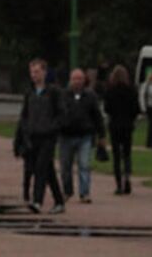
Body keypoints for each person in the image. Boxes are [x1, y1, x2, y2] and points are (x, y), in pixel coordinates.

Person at [13, 58, 65, 214]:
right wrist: (23, 134)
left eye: (37, 71)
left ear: (44, 72)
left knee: (41, 167)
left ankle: (37, 201)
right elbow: (25, 115)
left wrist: (52, 127)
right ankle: (59, 201)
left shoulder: (53, 92)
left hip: (48, 136)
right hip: (33, 136)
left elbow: (61, 114)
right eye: (32, 72)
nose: (34, 75)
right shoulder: (29, 93)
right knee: (47, 170)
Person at [58, 68, 106, 204]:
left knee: (84, 165)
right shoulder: (63, 95)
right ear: (70, 80)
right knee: (65, 166)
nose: (77, 81)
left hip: (84, 136)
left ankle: (84, 193)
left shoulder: (90, 96)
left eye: (79, 79)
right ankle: (67, 191)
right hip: (66, 136)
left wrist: (101, 134)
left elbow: (97, 116)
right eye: (74, 79)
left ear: (84, 80)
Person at [102, 64, 139, 195]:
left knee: (116, 155)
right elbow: (136, 109)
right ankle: (127, 178)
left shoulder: (110, 91)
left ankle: (118, 184)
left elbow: (107, 109)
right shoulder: (131, 90)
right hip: (128, 125)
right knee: (127, 154)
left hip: (115, 125)